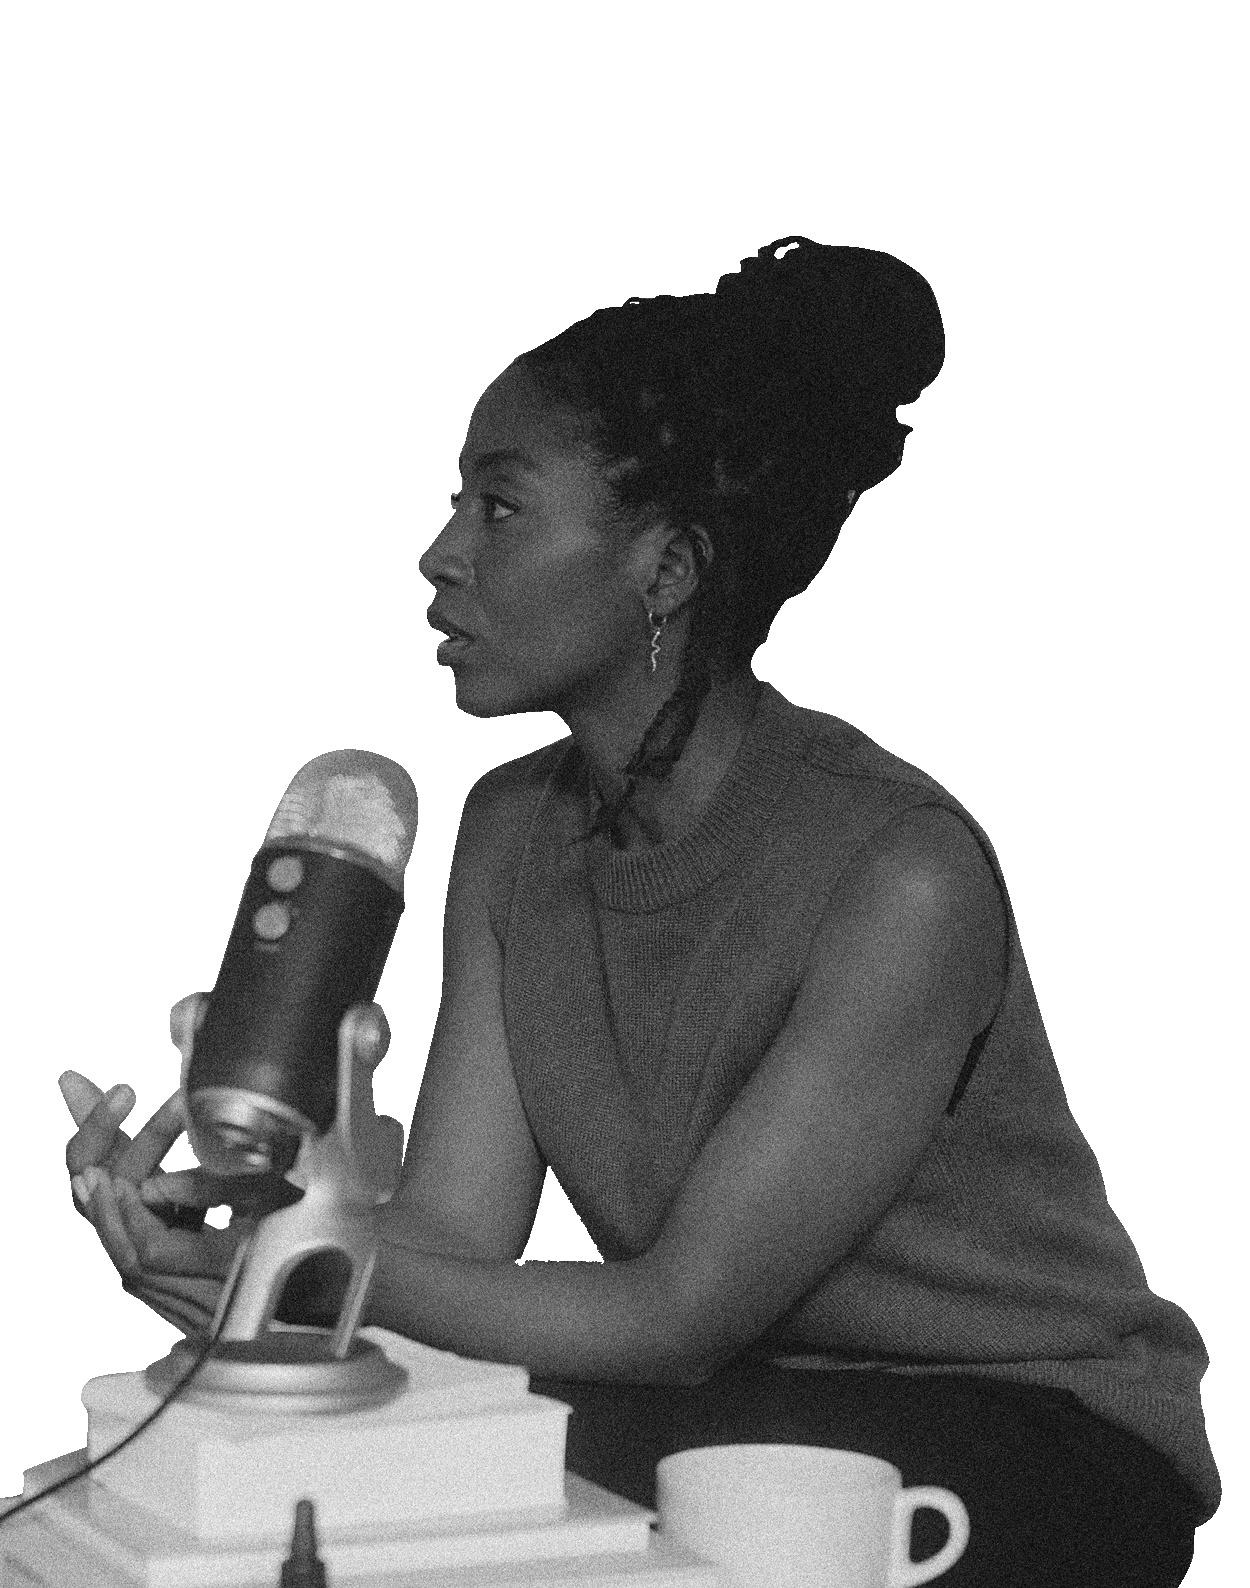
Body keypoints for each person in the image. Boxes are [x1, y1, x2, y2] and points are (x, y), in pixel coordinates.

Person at [65, 240, 1217, 1585]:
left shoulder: (902, 871)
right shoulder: (509, 825)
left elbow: (673, 1319)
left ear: (666, 568)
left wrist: (301, 1260)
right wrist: (232, 1246)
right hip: (737, 1407)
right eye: (454, 500)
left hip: (1029, 1433)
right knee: (359, 1467)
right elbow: (451, 1239)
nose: (438, 554)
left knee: (492, 1491)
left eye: (500, 508)